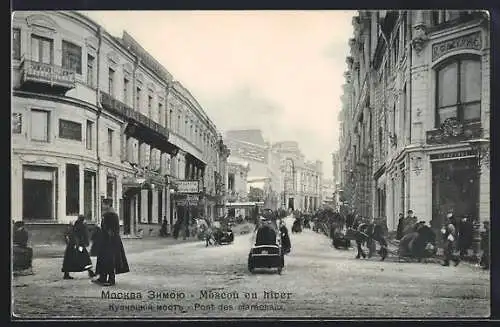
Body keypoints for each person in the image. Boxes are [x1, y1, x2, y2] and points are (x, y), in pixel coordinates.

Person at [94, 210, 130, 286]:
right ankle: (102, 278)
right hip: (105, 240)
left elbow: (111, 229)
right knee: (103, 259)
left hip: (110, 241)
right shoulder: (109, 215)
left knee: (110, 260)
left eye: (104, 205)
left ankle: (111, 280)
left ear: (108, 206)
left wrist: (109, 235)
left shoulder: (111, 215)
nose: (103, 207)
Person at [62, 215, 95, 280]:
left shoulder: (75, 225)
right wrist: (85, 243)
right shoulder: (82, 226)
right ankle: (90, 272)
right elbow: (85, 235)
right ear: (83, 220)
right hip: (79, 245)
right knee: (85, 258)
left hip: (72, 245)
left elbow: (71, 234)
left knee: (69, 259)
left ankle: (66, 273)